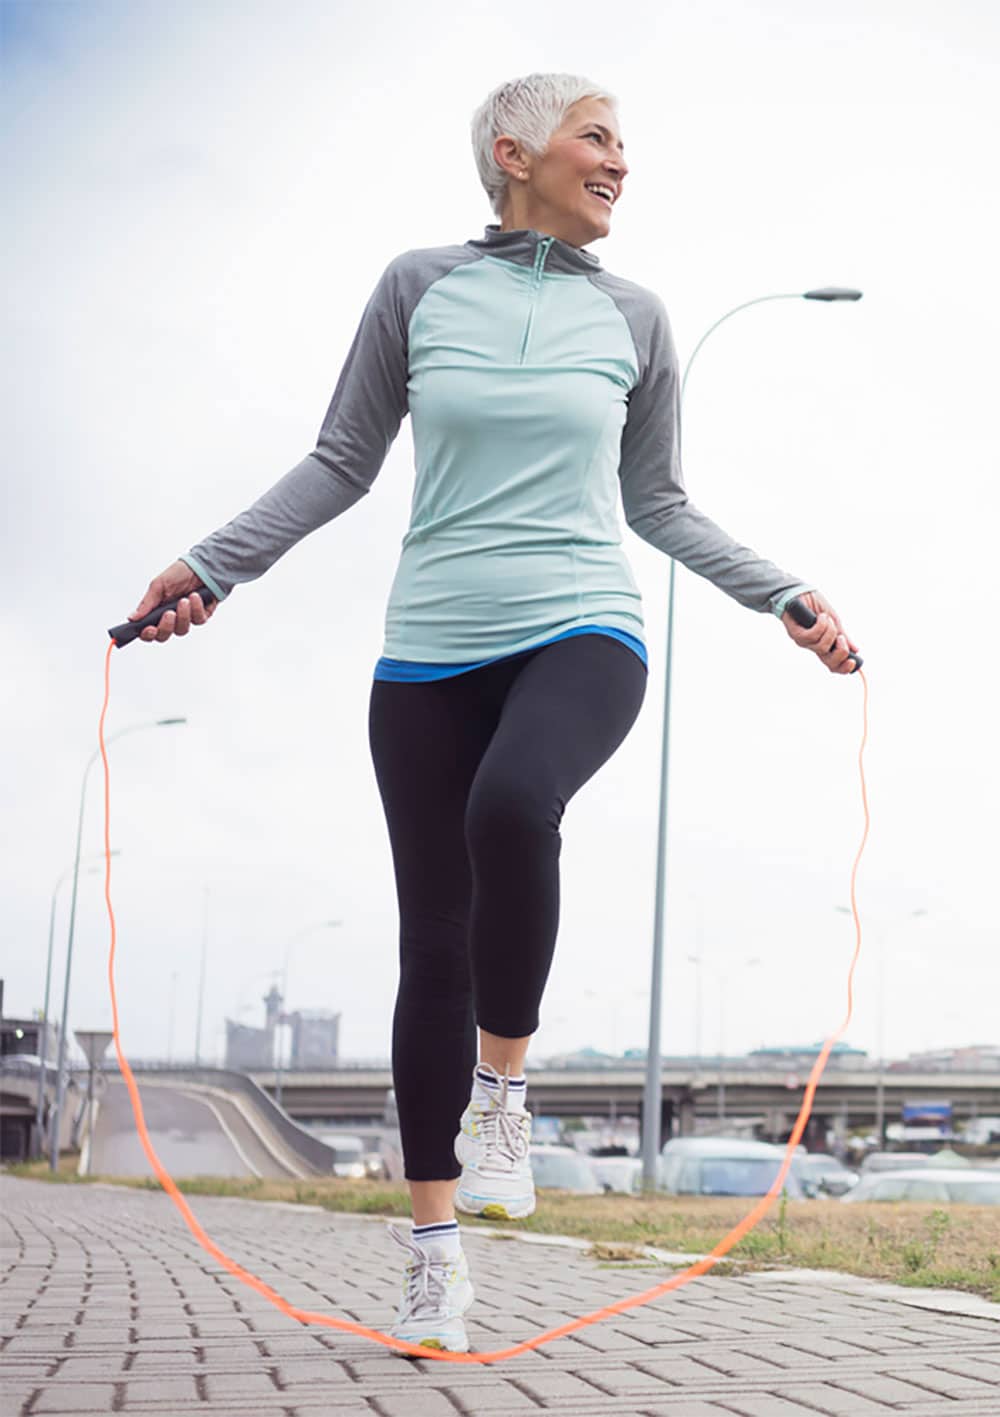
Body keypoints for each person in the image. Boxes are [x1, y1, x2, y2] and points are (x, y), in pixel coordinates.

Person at [130, 73, 859, 1352]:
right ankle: (432, 1255)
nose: (621, 160)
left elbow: (660, 502)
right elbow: (341, 461)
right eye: (599, 136)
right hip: (427, 651)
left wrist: (782, 591)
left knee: (515, 805)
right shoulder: (418, 286)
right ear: (514, 153)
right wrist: (210, 564)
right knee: (435, 940)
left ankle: (503, 1094)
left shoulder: (638, 316)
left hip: (584, 623)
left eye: (625, 142)